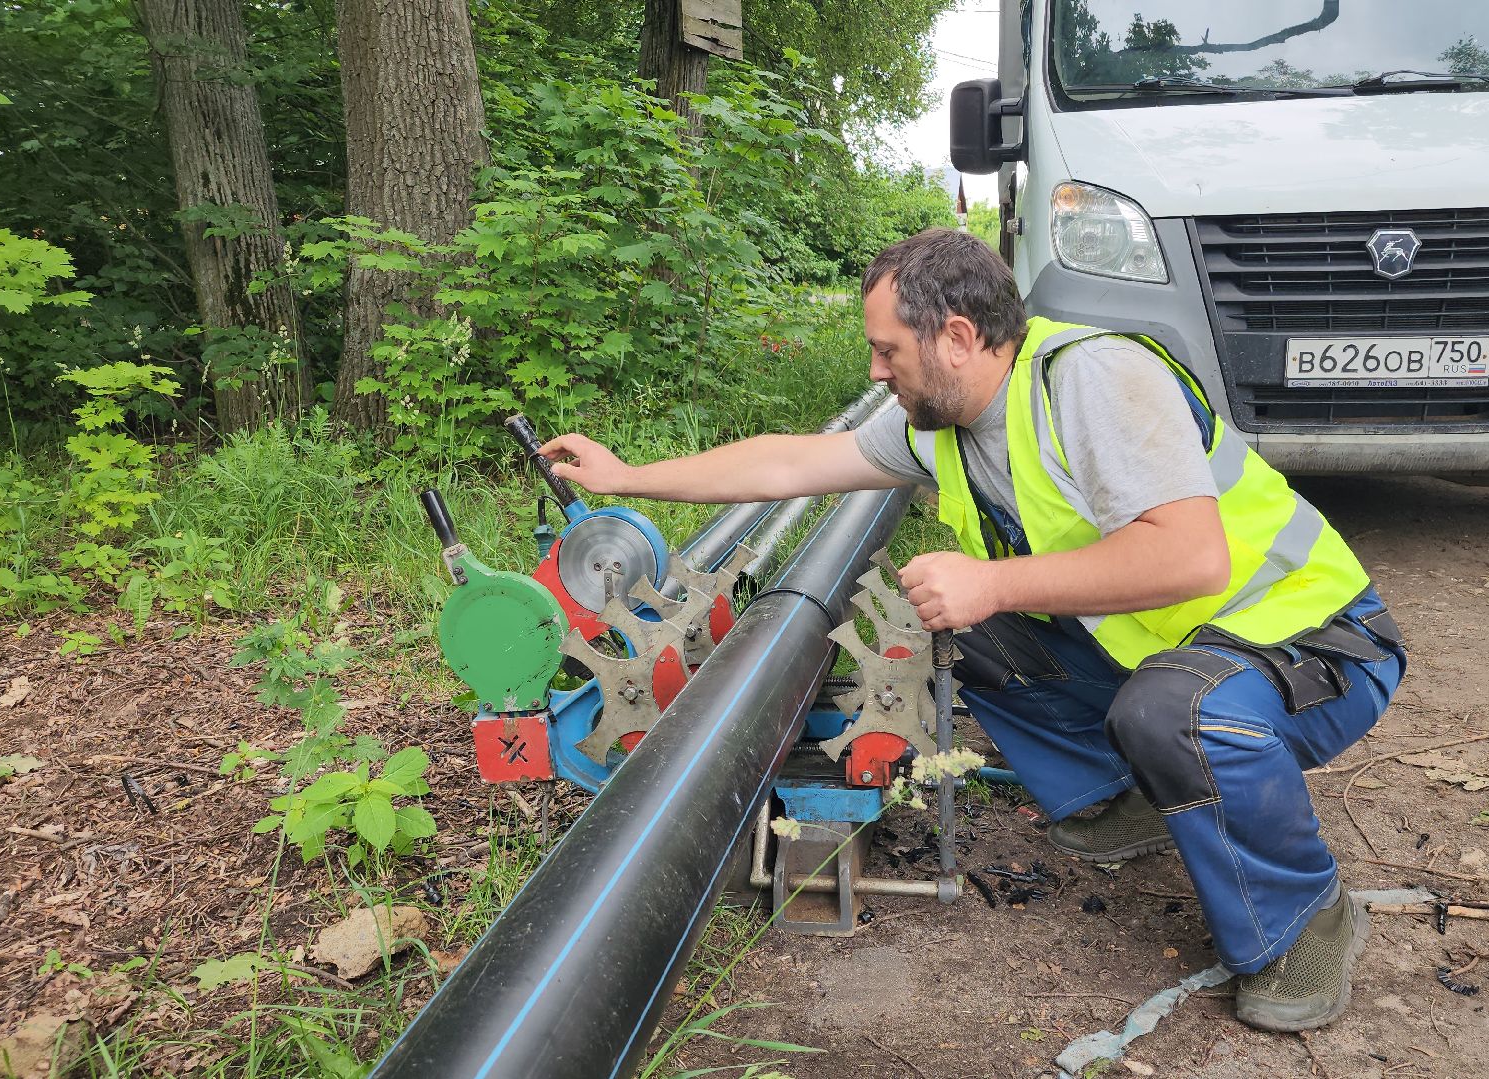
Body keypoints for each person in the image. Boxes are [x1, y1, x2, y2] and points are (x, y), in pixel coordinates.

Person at [539, 228, 1407, 1032]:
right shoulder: (942, 422)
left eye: (888, 351)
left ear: (956, 337)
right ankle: (1130, 796)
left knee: (1166, 708)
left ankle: (1304, 918)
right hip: (1178, 645)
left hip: (1314, 644)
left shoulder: (1093, 380)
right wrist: (632, 476)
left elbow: (1191, 560)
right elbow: (792, 459)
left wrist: (993, 581)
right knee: (974, 637)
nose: (877, 372)